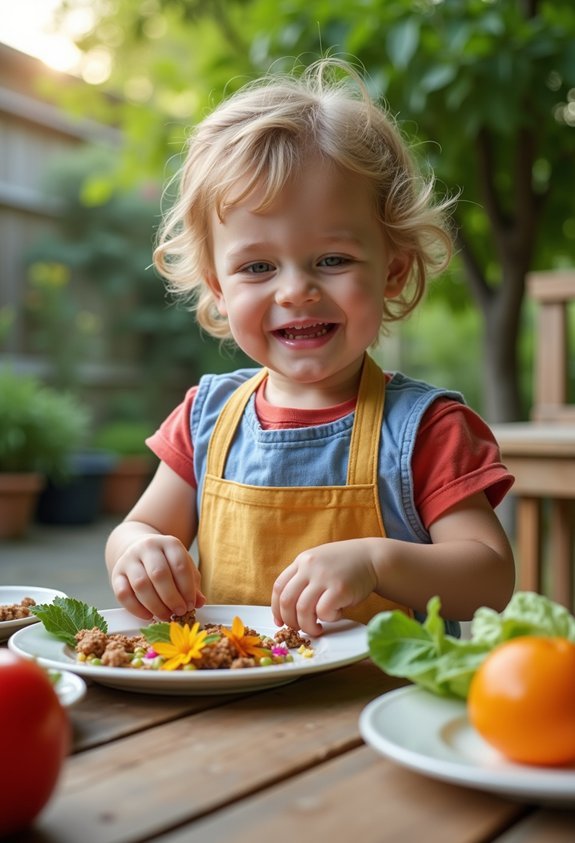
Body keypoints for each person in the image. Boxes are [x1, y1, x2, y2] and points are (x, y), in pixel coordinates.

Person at [105, 58, 515, 637]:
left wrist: (377, 562)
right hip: (229, 709)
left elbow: (492, 579)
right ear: (219, 288)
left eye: (332, 260)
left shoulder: (427, 429)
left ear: (393, 271)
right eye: (257, 266)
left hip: (374, 713)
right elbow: (136, 527)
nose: (296, 290)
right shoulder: (206, 419)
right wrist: (139, 552)